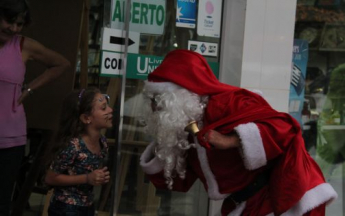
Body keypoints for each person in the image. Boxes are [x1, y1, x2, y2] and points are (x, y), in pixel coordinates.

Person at [139, 49, 338, 216]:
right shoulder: (186, 126)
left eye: (159, 99)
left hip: (284, 198)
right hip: (244, 204)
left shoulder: (229, 102)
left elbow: (285, 127)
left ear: (179, 95)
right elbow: (177, 180)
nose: (154, 107)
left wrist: (230, 141)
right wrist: (165, 145)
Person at [0, 0, 70, 215]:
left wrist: (29, 89)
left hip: (10, 138)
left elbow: (61, 63)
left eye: (19, 24)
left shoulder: (22, 45)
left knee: (1, 203)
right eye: (9, 21)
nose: (13, 28)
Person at [44, 87, 112, 216]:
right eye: (103, 108)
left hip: (87, 206)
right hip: (66, 208)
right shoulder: (73, 146)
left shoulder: (102, 142)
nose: (110, 110)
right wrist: (87, 178)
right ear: (86, 118)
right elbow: (50, 178)